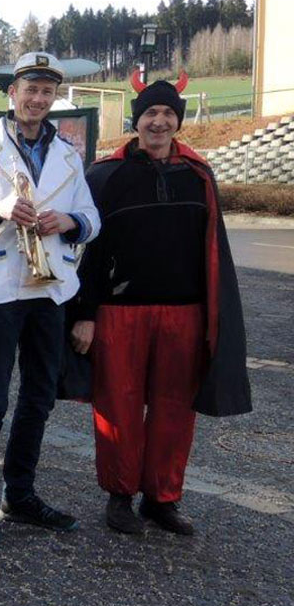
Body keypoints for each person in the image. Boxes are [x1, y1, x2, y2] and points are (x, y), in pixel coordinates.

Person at [72, 79, 251, 536]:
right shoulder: (105, 177)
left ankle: (161, 497)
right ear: (138, 120)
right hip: (120, 312)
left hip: (184, 313)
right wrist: (85, 313)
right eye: (151, 113)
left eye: (168, 114)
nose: (159, 121)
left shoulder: (198, 175)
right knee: (119, 406)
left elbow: (213, 252)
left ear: (178, 120)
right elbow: (88, 254)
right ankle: (119, 495)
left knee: (175, 408)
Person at [0, 51, 100, 547]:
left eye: (47, 91)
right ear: (13, 94)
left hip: (50, 290)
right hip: (1, 290)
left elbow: (92, 218)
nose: (38, 98)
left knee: (38, 399)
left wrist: (69, 222)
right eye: (30, 89)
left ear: (55, 98)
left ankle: (20, 494)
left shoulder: (69, 154)